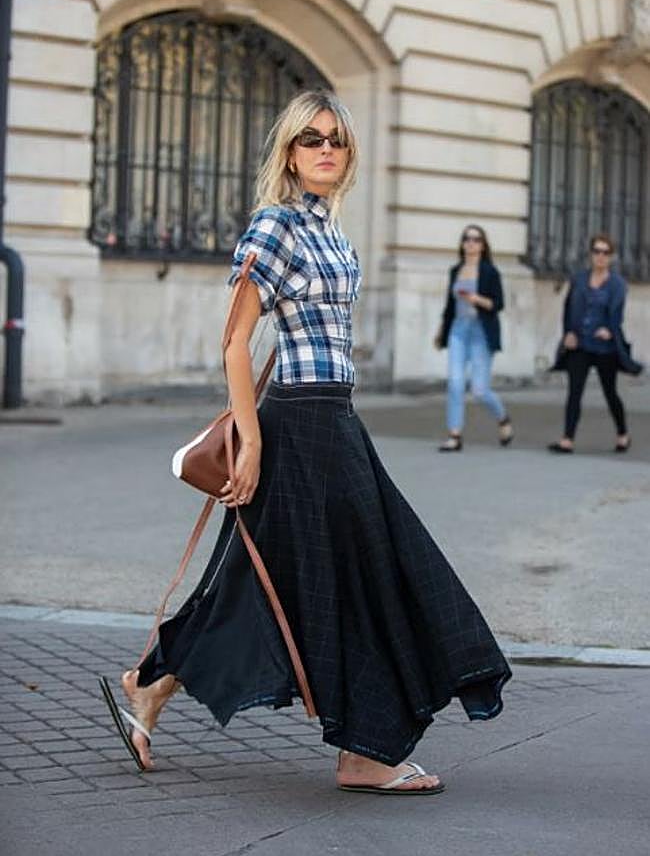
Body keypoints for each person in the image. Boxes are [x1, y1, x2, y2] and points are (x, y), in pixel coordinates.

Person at [100, 90, 511, 796]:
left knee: (268, 579)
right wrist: (252, 442)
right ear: (290, 153)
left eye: (336, 139)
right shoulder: (275, 226)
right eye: (310, 138)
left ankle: (152, 684)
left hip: (336, 418)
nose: (325, 149)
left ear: (348, 154)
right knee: (367, 569)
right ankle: (363, 752)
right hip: (294, 423)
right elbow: (234, 342)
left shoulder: (335, 234)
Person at [548, 233, 640, 454]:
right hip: (580, 343)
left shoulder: (617, 284)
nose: (600, 256)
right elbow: (568, 308)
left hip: (604, 347)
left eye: (605, 252)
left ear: (611, 256)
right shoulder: (579, 279)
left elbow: (617, 315)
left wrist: (609, 330)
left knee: (610, 392)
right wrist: (568, 333)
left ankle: (623, 434)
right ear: (590, 254)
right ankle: (567, 439)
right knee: (575, 391)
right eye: (597, 251)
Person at [434, 225, 513, 452]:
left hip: (481, 331)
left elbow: (498, 304)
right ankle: (454, 435)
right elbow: (450, 306)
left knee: (479, 390)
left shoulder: (490, 272)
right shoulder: (455, 270)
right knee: (455, 383)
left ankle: (503, 418)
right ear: (462, 243)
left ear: (483, 245)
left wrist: (476, 299)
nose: (471, 243)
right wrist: (442, 330)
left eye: (476, 239)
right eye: (467, 239)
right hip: (458, 330)